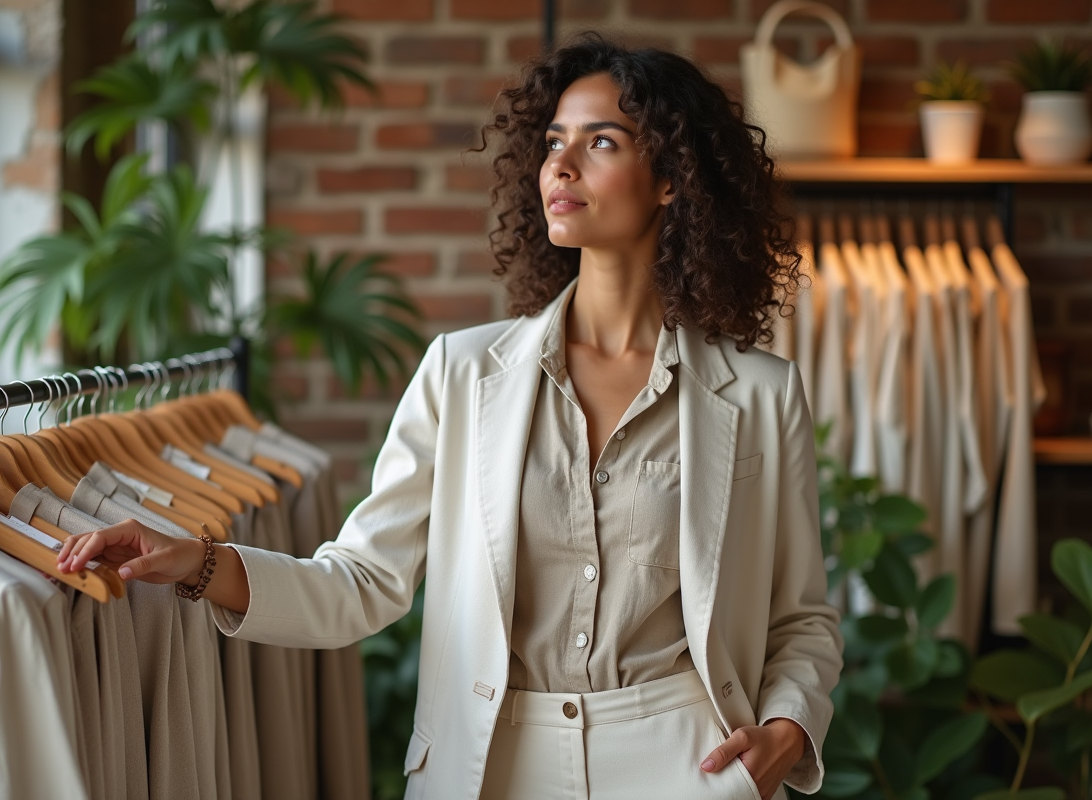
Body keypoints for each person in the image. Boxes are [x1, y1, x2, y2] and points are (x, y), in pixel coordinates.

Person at [58, 34, 843, 800]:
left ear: (671, 177)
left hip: (690, 766)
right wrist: (194, 562)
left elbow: (802, 617)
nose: (562, 164)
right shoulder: (461, 373)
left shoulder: (760, 395)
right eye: (554, 142)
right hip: (492, 765)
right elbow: (362, 581)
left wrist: (787, 731)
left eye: (600, 141)